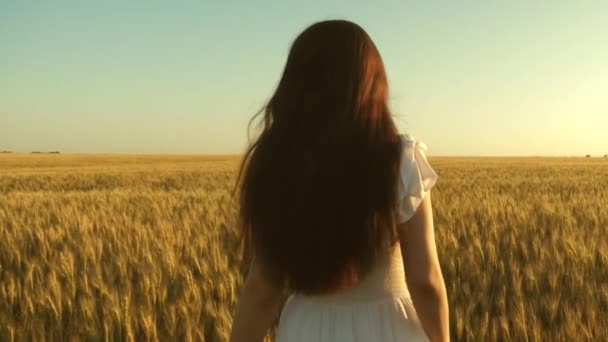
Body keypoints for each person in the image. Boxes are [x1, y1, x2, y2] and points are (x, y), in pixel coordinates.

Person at [230, 19, 449, 342]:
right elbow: (425, 280)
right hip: (390, 328)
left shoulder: (276, 164)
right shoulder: (400, 160)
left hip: (308, 329)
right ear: (372, 85)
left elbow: (262, 287)